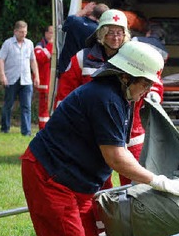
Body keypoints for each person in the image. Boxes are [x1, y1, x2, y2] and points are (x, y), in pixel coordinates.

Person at [21, 43, 179, 236]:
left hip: (79, 182)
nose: (146, 91)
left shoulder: (122, 98)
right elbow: (116, 157)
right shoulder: (105, 98)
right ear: (125, 75)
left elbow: (118, 150)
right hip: (51, 176)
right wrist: (157, 181)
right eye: (144, 84)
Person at [55, 10, 163, 187]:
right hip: (95, 132)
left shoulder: (136, 55)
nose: (115, 37)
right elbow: (66, 93)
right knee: (97, 184)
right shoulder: (83, 58)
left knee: (136, 184)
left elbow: (154, 75)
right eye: (110, 32)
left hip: (132, 133)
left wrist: (154, 94)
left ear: (125, 34)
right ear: (101, 34)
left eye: (119, 32)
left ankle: (133, 215)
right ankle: (101, 215)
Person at [0, 20, 40, 136]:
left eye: (25, 32)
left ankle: (26, 132)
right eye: (21, 32)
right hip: (11, 79)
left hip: (26, 80)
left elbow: (33, 60)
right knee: (8, 105)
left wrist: (36, 76)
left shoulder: (29, 43)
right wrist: (2, 75)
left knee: (26, 106)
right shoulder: (8, 43)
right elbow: (0, 59)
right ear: (15, 31)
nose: (23, 34)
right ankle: (5, 128)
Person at [57, 2, 109, 74]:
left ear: (92, 12)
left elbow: (63, 27)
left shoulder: (74, 20)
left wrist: (84, 10)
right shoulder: (98, 31)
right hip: (84, 70)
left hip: (65, 67)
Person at [34, 25, 54, 130]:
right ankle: (43, 128)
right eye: (51, 32)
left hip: (54, 82)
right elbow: (40, 58)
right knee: (44, 107)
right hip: (45, 82)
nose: (53, 35)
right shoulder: (40, 45)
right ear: (46, 34)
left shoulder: (57, 45)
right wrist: (50, 45)